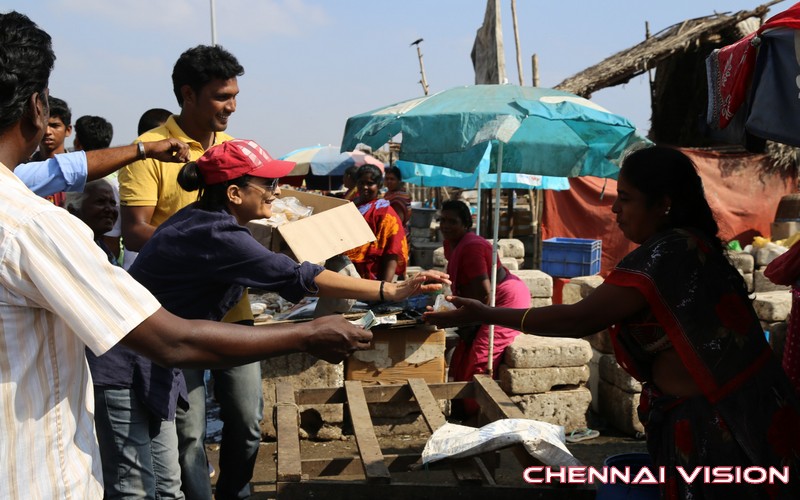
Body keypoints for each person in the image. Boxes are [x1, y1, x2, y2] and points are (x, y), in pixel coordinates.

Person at [0, 11, 378, 498]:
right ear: (37, 107)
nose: (231, 108)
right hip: (138, 343)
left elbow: (63, 171)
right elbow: (179, 331)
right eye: (222, 97)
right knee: (169, 455)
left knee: (211, 439)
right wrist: (320, 324)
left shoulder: (225, 162)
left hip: (194, 322)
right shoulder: (37, 226)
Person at [426, 146, 800, 499]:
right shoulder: (685, 244)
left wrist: (484, 313)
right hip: (725, 409)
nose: (615, 210)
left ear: (663, 204)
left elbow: (580, 317)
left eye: (626, 198)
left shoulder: (668, 253)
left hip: (722, 420)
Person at [91, 139, 448, 498]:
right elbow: (295, 275)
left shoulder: (206, 220)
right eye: (268, 185)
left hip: (153, 362)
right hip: (127, 366)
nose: (277, 193)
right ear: (234, 193)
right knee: (136, 490)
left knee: (167, 488)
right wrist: (392, 292)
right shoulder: (216, 233)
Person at [114, 44, 267, 500]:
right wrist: (197, 250)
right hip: (175, 318)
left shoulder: (239, 150)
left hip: (233, 309)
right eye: (222, 96)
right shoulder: (150, 152)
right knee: (189, 433)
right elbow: (136, 230)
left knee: (248, 420)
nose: (232, 106)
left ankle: (234, 492)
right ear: (188, 94)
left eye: (235, 95)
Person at [438, 200, 530, 416]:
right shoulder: (452, 243)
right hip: (484, 301)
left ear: (466, 224)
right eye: (442, 220)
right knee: (461, 354)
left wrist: (452, 318)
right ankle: (460, 406)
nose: (446, 225)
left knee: (480, 357)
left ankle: (478, 414)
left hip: (504, 299)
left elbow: (484, 295)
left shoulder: (470, 248)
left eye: (452, 222)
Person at [344, 164, 409, 282]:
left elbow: (392, 250)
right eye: (361, 182)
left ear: (379, 185)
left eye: (370, 183)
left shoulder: (385, 213)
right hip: (347, 271)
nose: (365, 187)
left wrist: (383, 289)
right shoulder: (350, 205)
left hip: (372, 276)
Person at [72, 115, 123, 261]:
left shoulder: (81, 181)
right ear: (72, 209)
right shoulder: (116, 179)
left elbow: (112, 240)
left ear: (77, 143)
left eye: (112, 203)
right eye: (101, 202)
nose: (109, 209)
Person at [29, 94, 71, 205]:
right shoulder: (23, 170)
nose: (47, 132)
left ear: (68, 130)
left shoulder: (78, 171)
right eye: (44, 125)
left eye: (54, 125)